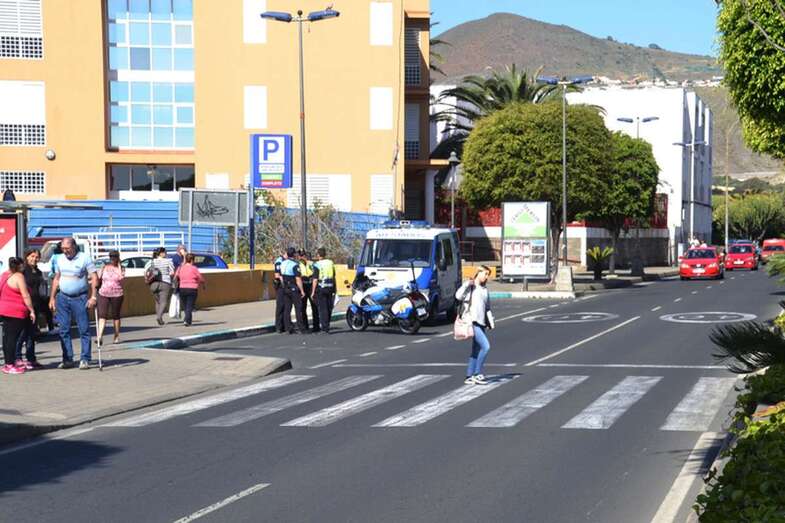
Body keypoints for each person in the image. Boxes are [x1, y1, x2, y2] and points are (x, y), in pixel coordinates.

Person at [49, 237, 98, 370]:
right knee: (63, 329)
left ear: (74, 246)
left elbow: (94, 277)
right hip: (63, 298)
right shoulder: (59, 259)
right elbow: (56, 278)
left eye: (67, 248)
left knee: (84, 329)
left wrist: (93, 296)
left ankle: (85, 358)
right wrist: (52, 297)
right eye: (63, 249)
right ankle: (68, 359)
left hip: (80, 298)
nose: (65, 251)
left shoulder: (84, 258)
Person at [455, 265, 495, 385]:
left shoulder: (485, 290)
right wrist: (466, 284)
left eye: (488, 274)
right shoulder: (471, 286)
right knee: (486, 347)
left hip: (482, 322)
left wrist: (491, 321)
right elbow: (458, 296)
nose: (487, 277)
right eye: (485, 274)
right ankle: (477, 374)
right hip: (472, 322)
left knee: (476, 350)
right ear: (478, 272)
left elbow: (487, 307)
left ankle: (469, 376)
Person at [1, 257, 36, 374]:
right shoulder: (19, 277)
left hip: (4, 310)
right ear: (20, 266)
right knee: (12, 339)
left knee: (7, 338)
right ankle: (10, 364)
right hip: (16, 312)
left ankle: (8, 363)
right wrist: (31, 310)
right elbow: (25, 295)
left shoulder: (5, 275)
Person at [15, 249, 46, 369]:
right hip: (24, 305)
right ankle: (17, 358)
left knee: (31, 334)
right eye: (32, 256)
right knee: (22, 333)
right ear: (27, 257)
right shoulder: (23, 271)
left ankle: (31, 359)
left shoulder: (38, 271)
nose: (34, 259)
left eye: (37, 257)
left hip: (36, 305)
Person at [97, 250, 125, 345]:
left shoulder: (121, 268)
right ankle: (99, 336)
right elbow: (99, 277)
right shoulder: (105, 267)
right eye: (111, 257)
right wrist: (101, 269)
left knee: (115, 315)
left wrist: (120, 267)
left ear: (118, 257)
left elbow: (121, 278)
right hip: (104, 293)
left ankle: (116, 336)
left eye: (114, 257)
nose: (112, 258)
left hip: (117, 294)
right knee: (102, 315)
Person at [146, 247, 175, 326]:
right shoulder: (168, 261)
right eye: (165, 252)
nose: (166, 253)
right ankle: (159, 317)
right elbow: (172, 272)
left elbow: (145, 271)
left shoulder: (151, 261)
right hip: (165, 282)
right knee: (163, 301)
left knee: (157, 302)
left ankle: (160, 318)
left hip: (153, 283)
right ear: (161, 253)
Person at [280, 247, 307, 334]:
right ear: (294, 254)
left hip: (285, 287)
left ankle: (288, 328)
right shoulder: (295, 265)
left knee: (287, 308)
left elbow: (281, 276)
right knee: (298, 308)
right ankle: (301, 327)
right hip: (293, 287)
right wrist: (302, 290)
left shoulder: (282, 263)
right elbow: (298, 279)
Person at [174, 253, 205, 326]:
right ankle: (187, 321)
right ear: (192, 260)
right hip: (192, 289)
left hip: (182, 288)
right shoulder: (194, 268)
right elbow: (200, 277)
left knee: (186, 306)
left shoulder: (180, 268)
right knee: (189, 306)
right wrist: (203, 283)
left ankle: (188, 320)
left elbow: (175, 277)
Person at [311, 247, 336, 334]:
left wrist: (313, 291)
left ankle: (325, 328)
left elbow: (315, 279)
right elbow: (334, 275)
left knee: (323, 308)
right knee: (329, 307)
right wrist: (335, 289)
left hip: (321, 288)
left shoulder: (317, 264)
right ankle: (327, 324)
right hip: (330, 287)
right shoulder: (330, 263)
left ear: (318, 255)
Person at [299, 250, 320, 332]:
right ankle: (305, 326)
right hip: (303, 285)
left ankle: (316, 326)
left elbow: (315, 274)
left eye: (303, 255)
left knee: (314, 306)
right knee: (302, 307)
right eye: (301, 255)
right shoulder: (298, 264)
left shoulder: (312, 264)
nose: (302, 257)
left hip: (311, 285)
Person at [273, 249, 287, 333]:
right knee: (280, 306)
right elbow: (277, 275)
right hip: (280, 286)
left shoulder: (286, 261)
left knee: (286, 306)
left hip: (286, 286)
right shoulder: (279, 261)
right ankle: (278, 326)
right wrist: (284, 283)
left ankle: (284, 325)